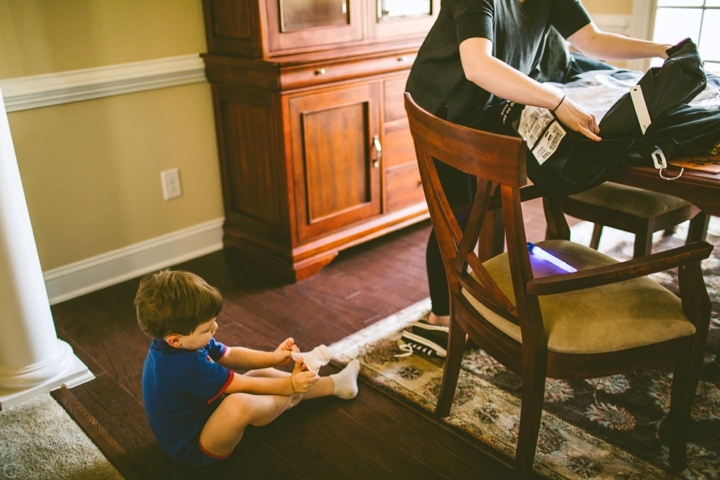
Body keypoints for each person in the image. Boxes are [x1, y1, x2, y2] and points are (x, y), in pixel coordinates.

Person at [405, 0, 675, 326]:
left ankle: (485, 295)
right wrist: (557, 101)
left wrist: (661, 49)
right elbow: (477, 65)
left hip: (491, 102)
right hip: (443, 109)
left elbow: (591, 39)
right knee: (456, 219)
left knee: (484, 207)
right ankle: (441, 315)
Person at [135, 269, 360, 466]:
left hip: (206, 418)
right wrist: (290, 385)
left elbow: (230, 354)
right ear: (175, 339)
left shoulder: (182, 341)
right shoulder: (185, 367)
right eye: (207, 328)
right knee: (238, 403)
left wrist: (272, 358)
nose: (215, 327)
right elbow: (241, 384)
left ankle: (337, 385)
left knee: (260, 375)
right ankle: (291, 397)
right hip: (195, 448)